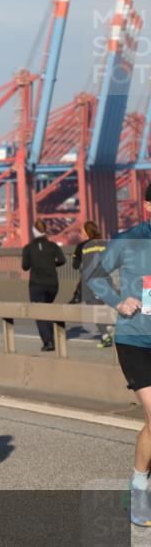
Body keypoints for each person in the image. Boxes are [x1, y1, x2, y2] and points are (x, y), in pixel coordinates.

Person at [86, 186, 151, 527]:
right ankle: (140, 491)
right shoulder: (128, 239)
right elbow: (92, 274)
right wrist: (118, 302)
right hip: (136, 340)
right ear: (147, 205)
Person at [21, 219, 66, 351]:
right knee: (48, 308)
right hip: (53, 284)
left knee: (39, 313)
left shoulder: (28, 248)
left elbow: (25, 267)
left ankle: (48, 342)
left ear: (33, 232)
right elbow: (62, 260)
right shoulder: (53, 246)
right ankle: (54, 335)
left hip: (37, 284)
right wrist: (51, 265)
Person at [71, 221, 112, 347]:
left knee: (95, 309)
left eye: (83, 230)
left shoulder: (82, 246)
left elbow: (75, 265)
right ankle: (110, 326)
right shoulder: (105, 243)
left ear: (86, 232)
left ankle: (105, 335)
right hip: (106, 279)